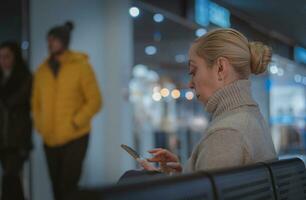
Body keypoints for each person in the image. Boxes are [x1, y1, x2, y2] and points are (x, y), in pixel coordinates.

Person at [142, 28, 277, 174]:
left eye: (193, 72)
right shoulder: (251, 118)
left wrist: (160, 184)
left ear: (220, 68)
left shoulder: (226, 133)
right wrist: (182, 175)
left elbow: (202, 196)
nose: (190, 84)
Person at [32, 21, 102, 200]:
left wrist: (76, 121)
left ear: (64, 41)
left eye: (54, 40)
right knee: (56, 188)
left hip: (75, 137)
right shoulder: (42, 71)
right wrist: (41, 125)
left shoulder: (81, 66)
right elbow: (36, 103)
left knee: (68, 187)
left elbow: (95, 101)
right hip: (50, 137)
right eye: (49, 40)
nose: (50, 44)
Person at [0, 41, 32, 200]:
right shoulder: (1, 78)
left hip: (18, 140)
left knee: (9, 178)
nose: (3, 61)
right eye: (0, 57)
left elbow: (16, 102)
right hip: (3, 140)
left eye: (7, 56)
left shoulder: (25, 78)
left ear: (15, 57)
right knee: (13, 181)